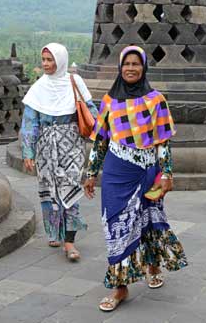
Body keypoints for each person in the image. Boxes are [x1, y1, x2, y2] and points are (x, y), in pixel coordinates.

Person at [83, 45, 187, 311]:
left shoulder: (156, 100)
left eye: (135, 64)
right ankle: (120, 288)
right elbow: (100, 142)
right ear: (120, 67)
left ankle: (152, 266)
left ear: (143, 67)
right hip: (117, 173)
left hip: (146, 172)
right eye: (126, 64)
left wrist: (166, 173)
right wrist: (91, 173)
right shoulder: (109, 101)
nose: (130, 68)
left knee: (149, 222)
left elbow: (163, 142)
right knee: (116, 226)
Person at [21, 42, 98, 261]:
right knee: (49, 189)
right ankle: (54, 231)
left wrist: (102, 138)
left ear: (60, 61)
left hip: (72, 145)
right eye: (43, 60)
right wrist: (29, 152)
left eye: (50, 60)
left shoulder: (75, 82)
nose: (45, 64)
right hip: (46, 147)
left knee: (70, 187)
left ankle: (70, 241)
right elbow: (30, 122)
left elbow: (90, 111)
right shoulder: (39, 88)